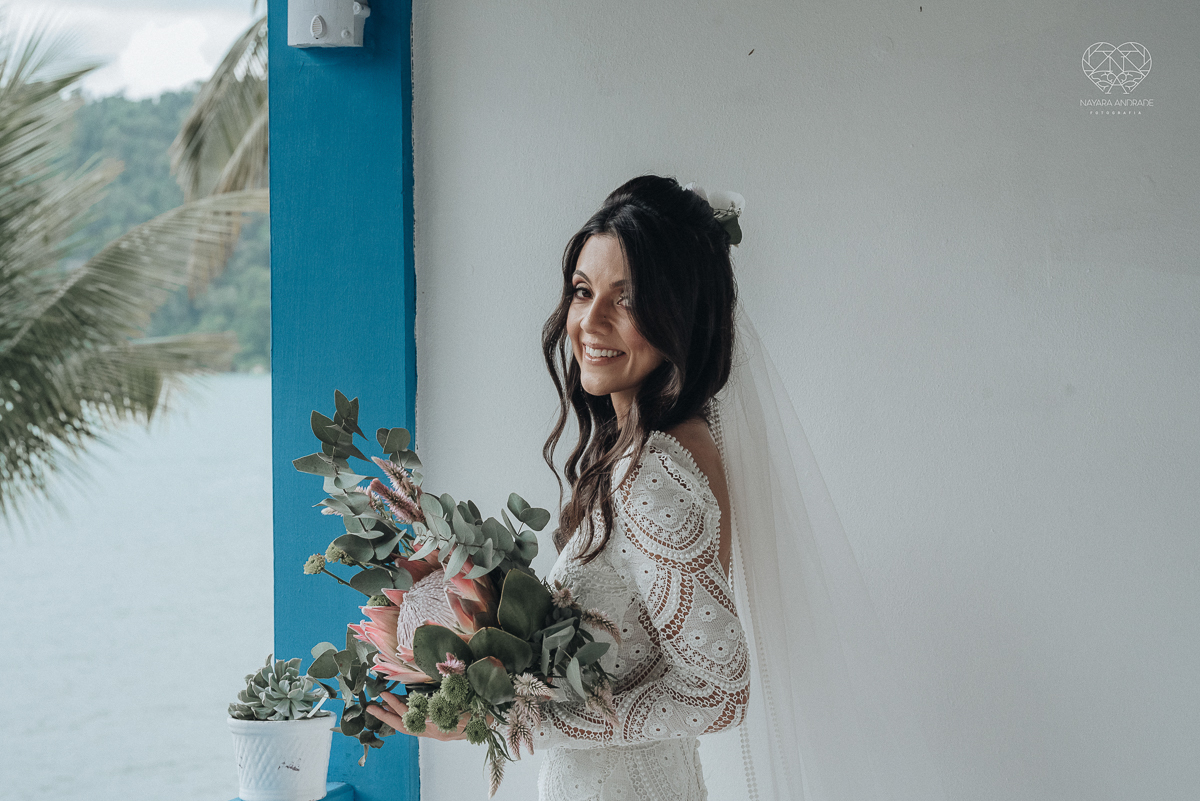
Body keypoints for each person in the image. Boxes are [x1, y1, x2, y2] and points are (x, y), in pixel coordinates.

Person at [369, 175, 946, 801]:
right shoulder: (682, 439)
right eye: (583, 291)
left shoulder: (648, 475)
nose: (590, 321)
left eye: (629, 298)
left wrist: (509, 720)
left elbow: (719, 693)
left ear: (681, 313)